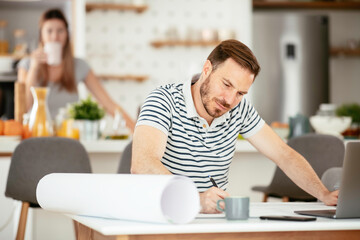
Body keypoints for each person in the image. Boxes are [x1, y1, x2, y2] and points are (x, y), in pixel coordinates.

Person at [131, 39, 339, 213]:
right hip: (163, 217)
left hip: (213, 223)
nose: (229, 100)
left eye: (240, 93)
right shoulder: (163, 100)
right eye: (227, 84)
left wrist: (324, 195)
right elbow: (142, 164)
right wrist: (196, 199)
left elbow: (284, 155)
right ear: (206, 69)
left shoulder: (239, 110)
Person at [17, 9, 135, 131]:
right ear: (41, 35)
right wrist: (34, 68)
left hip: (69, 137)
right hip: (36, 134)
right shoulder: (26, 65)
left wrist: (136, 130)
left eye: (60, 31)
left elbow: (108, 104)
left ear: (67, 34)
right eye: (49, 31)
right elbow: (24, 107)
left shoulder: (79, 66)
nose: (55, 37)